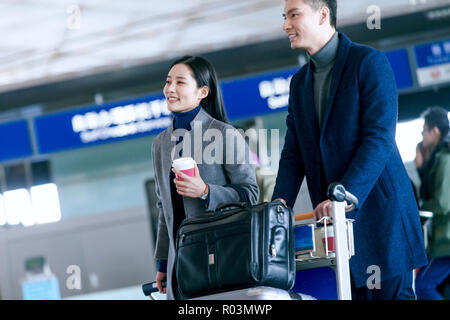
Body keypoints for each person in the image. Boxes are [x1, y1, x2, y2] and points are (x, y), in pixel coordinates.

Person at [271, 0, 428, 299]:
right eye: (284, 17)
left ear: (323, 14)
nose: (285, 25)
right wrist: (279, 205)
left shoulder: (368, 62)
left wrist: (344, 195)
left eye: (293, 15)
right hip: (338, 235)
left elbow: (379, 138)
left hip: (382, 222)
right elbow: (293, 154)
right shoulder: (299, 83)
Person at [151, 56, 259, 299]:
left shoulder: (224, 134)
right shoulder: (160, 145)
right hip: (181, 263)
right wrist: (163, 262)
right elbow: (164, 209)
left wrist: (205, 191)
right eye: (168, 82)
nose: (170, 89)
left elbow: (250, 194)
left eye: (180, 82)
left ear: (202, 92)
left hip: (222, 255)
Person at [414, 106, 450, 300]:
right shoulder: (438, 157)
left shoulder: (445, 156)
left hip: (447, 240)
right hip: (444, 239)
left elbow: (442, 203)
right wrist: (420, 168)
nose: (422, 135)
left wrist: (419, 210)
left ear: (435, 131)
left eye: (424, 129)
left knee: (423, 286)